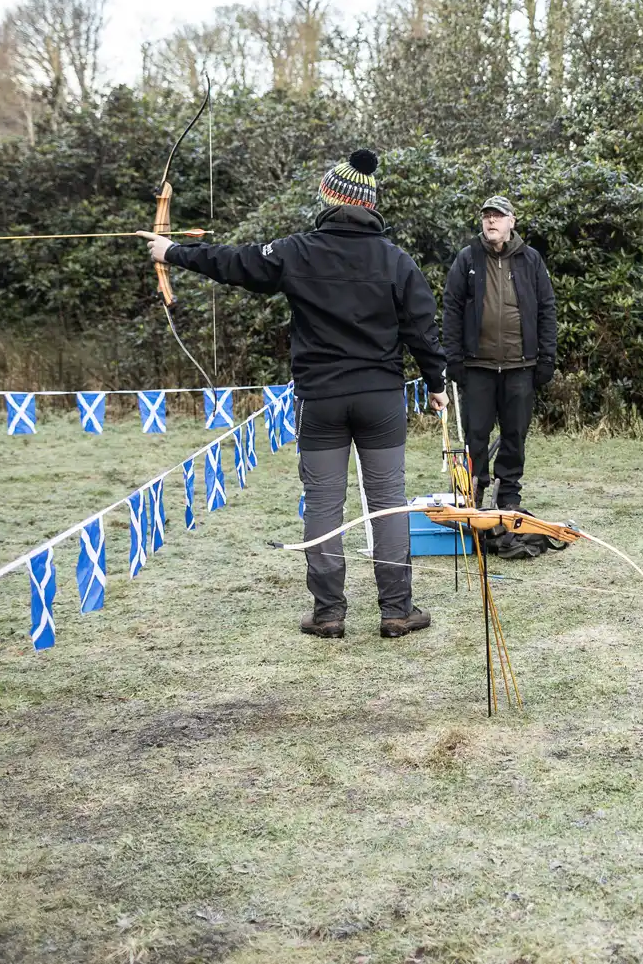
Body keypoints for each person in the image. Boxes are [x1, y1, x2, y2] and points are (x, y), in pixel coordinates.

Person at [140, 149, 447, 640]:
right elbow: (422, 329)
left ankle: (328, 614)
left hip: (321, 399)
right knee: (387, 500)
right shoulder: (396, 260)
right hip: (380, 399)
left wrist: (171, 251)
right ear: (369, 205)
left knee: (324, 503)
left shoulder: (298, 250)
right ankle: (397, 610)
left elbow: (234, 262)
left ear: (331, 200)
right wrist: (435, 383)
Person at [442, 195, 558, 513]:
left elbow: (547, 309)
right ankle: (475, 493)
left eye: (497, 215)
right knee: (476, 435)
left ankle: (509, 495)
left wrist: (546, 358)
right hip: (477, 365)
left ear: (511, 221)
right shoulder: (467, 259)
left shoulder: (531, 260)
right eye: (486, 216)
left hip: (521, 365)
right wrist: (453, 357)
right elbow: (451, 309)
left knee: (514, 435)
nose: (491, 221)